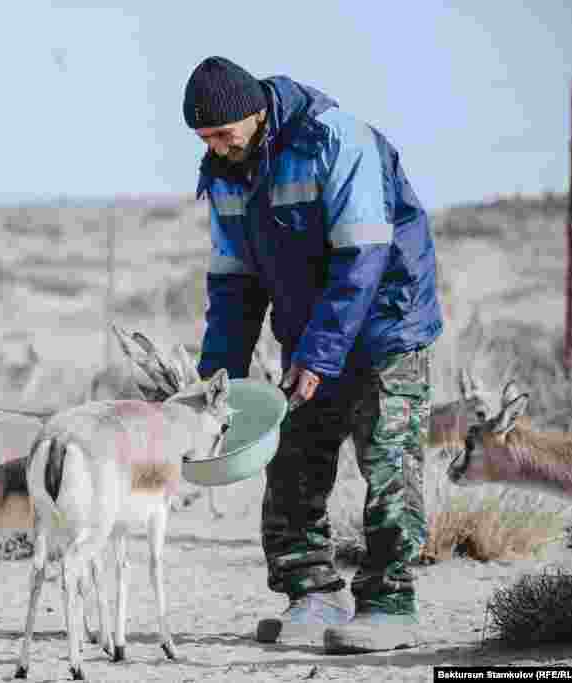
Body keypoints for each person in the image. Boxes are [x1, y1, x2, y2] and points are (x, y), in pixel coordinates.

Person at [184, 56, 443, 654]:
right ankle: (314, 593)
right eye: (205, 140)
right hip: (310, 333)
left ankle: (388, 605)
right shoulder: (225, 172)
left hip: (385, 323)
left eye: (224, 135)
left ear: (256, 112)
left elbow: (363, 260)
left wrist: (320, 357)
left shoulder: (337, 139)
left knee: (388, 466)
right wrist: (216, 379)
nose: (218, 149)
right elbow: (233, 281)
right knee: (292, 460)